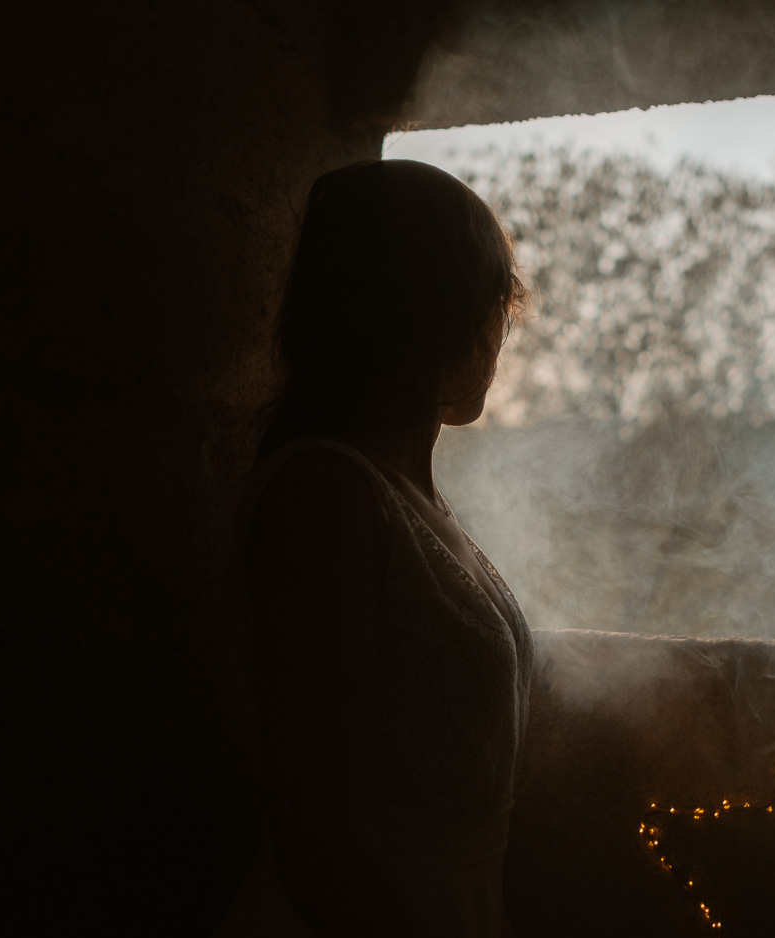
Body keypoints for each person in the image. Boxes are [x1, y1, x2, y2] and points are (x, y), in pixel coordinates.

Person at [222, 160, 533, 938]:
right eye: (494, 303)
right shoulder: (326, 494)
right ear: (438, 315)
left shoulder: (413, 498)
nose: (502, 330)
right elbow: (320, 839)